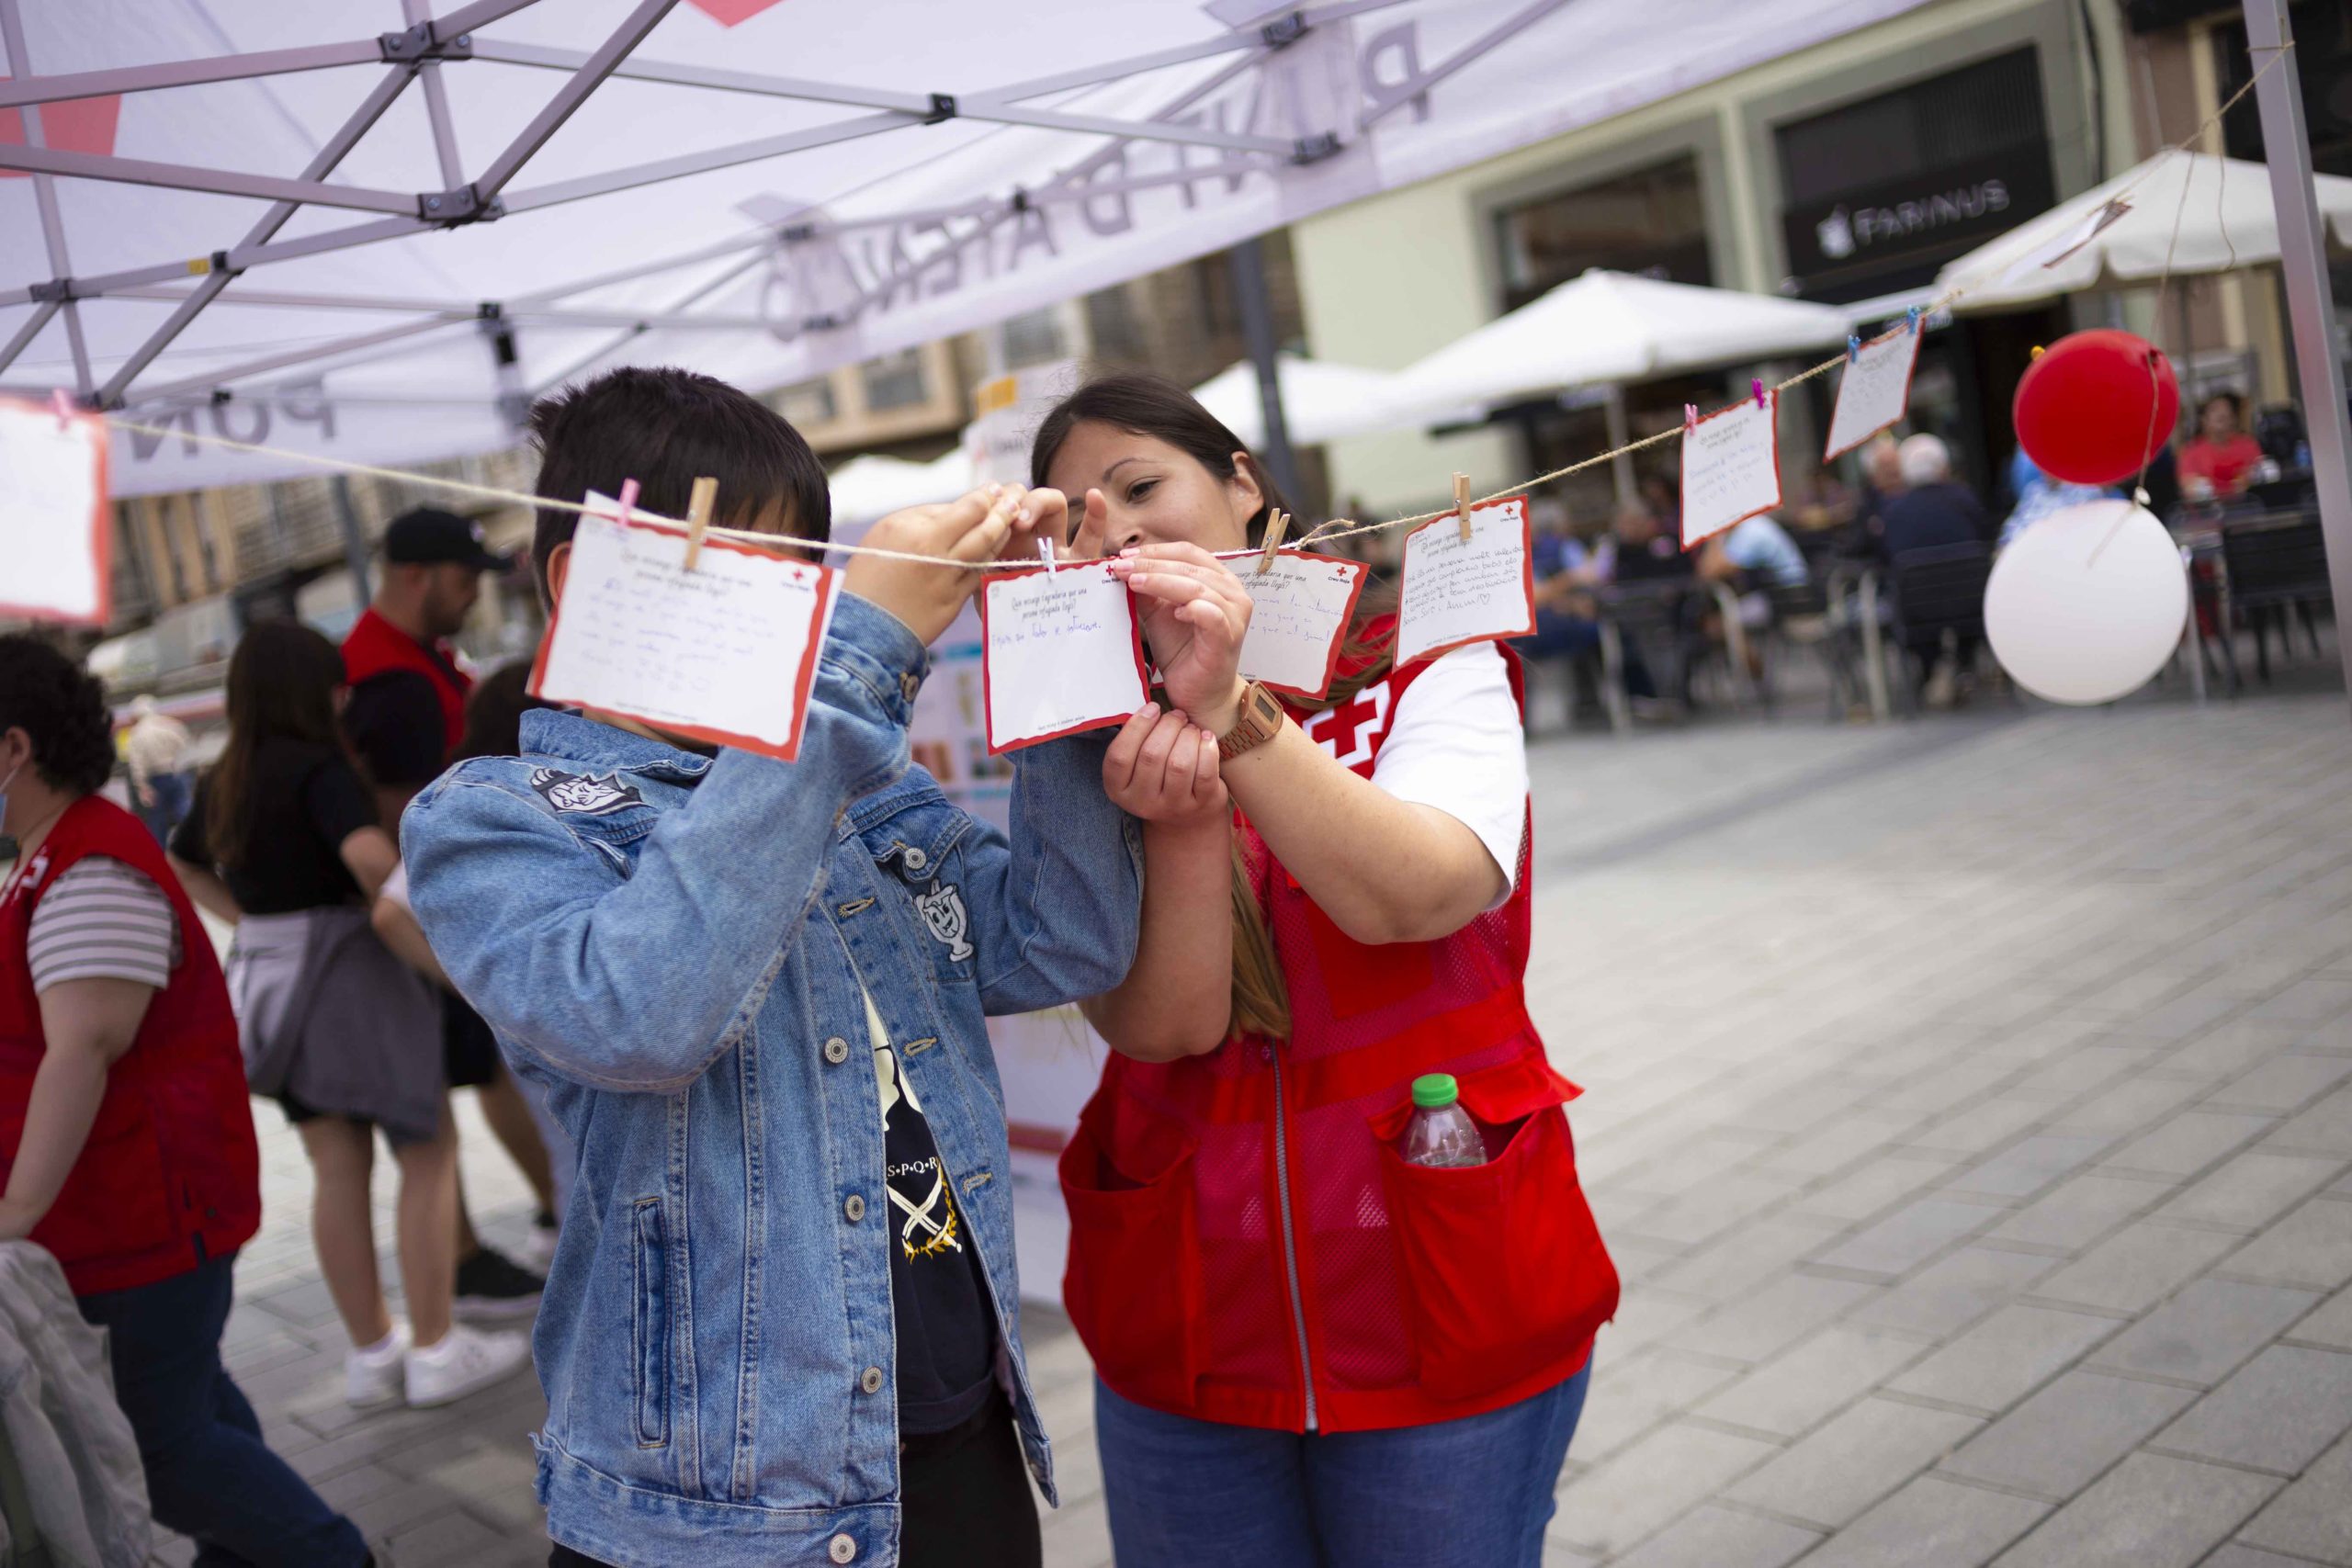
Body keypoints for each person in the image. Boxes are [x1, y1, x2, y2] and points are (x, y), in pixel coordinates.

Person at [398, 366, 1148, 1568]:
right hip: (712, 1512)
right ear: (577, 583)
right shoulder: (494, 815)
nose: (789, 617)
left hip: (957, 1437)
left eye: (798, 579)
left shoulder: (856, 779)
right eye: (734, 572)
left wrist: (1058, 639)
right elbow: (643, 1010)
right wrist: (858, 654)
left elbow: (1057, 938)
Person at [1033, 373, 1616, 1568]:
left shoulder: (1423, 657)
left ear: (1242, 481)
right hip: (1185, 1318)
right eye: (1083, 521)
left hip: (1443, 1292)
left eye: (1143, 487)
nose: (1125, 532)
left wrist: (1233, 710)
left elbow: (1418, 890)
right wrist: (1184, 819)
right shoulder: (1079, 720)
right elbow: (1167, 1026)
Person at [0, 634, 379, 1566]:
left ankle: (333, 1557)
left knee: (161, 1447)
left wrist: (12, 1214)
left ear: (14, 750)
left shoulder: (89, 865)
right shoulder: (53, 856)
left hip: (143, 1216)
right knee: (191, 1402)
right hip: (126, 1215)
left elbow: (82, 1050)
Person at [168, 621, 530, 1410]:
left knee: (337, 1168)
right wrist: (419, 907)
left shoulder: (223, 775)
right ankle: (436, 1346)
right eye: (335, 686)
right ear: (315, 692)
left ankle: (374, 1350)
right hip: (351, 984)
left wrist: (254, 917)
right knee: (427, 1151)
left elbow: (184, 858)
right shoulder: (319, 768)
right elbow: (369, 860)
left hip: (274, 989)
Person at [341, 507, 548, 1318]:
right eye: (464, 581)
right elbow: (403, 818)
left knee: (466, 1081)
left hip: (436, 906)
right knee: (459, 1086)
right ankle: (470, 1254)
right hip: (431, 909)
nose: (471, 598)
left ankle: (500, 1234)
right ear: (415, 575)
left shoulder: (407, 660)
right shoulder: (390, 681)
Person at [371, 661, 565, 1265]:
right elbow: (390, 911)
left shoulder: (475, 797)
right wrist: (485, 985)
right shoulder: (488, 800)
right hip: (549, 1026)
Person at [122, 694, 194, 844]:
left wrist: (142, 786)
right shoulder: (171, 725)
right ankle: (198, 843)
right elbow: (187, 747)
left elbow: (137, 764)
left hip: (156, 780)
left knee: (158, 822)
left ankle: (159, 857)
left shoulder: (136, 733)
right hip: (178, 773)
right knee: (185, 812)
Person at [2177, 390, 2265, 501]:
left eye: (2226, 410)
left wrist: (2250, 479)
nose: (2221, 414)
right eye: (2215, 410)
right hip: (2207, 512)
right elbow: (2188, 485)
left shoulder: (2248, 445)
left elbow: (2261, 474)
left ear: (2233, 419)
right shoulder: (2190, 452)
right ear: (2203, 420)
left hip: (2247, 507)